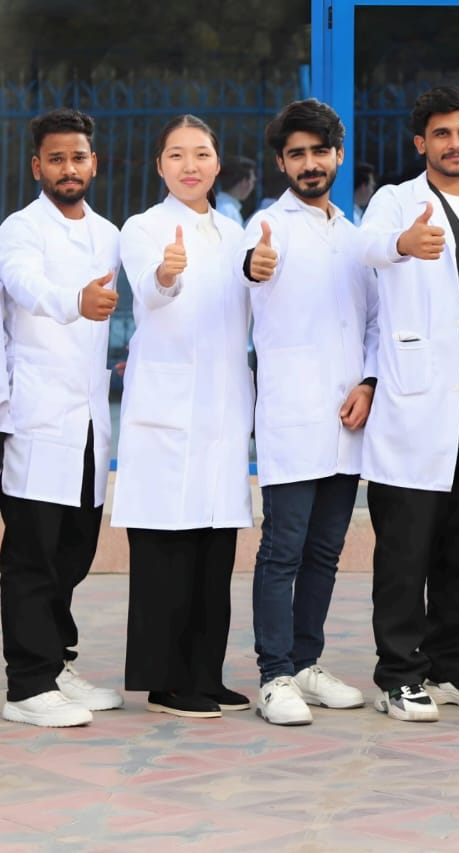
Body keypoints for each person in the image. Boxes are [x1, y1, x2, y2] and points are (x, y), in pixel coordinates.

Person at [356, 86, 459, 723]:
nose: (455, 144)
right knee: (405, 551)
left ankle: (452, 664)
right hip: (415, 408)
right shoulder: (396, 202)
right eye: (442, 133)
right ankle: (399, 674)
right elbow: (365, 248)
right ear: (421, 143)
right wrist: (401, 244)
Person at [241, 99, 379, 726]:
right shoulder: (266, 228)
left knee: (325, 551)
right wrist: (254, 265)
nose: (309, 163)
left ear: (338, 155)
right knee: (283, 551)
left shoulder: (355, 237)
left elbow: (375, 321)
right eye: (296, 154)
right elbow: (248, 273)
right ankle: (273, 676)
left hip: (347, 418)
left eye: (319, 151)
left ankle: (305, 663)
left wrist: (370, 383)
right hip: (293, 417)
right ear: (281, 163)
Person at [113, 115, 254, 719]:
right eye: (176, 155)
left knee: (214, 549)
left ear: (217, 164)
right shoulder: (143, 227)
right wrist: (167, 271)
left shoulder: (235, 233)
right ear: (160, 166)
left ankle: (205, 673)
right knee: (166, 548)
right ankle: (166, 682)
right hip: (168, 410)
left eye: (201, 153)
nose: (190, 165)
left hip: (222, 408)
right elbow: (150, 288)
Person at [0, 107, 123, 727]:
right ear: (37, 167)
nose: (68, 168)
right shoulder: (20, 230)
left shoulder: (109, 233)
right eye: (56, 159)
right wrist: (75, 300)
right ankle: (27, 685)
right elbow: (25, 286)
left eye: (77, 157)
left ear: (93, 163)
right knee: (32, 554)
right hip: (38, 415)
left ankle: (56, 662)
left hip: (90, 417)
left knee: (74, 549)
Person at [215, 155, 256, 225]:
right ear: (245, 182)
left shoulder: (214, 205)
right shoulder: (229, 212)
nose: (252, 187)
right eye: (253, 181)